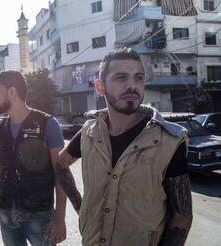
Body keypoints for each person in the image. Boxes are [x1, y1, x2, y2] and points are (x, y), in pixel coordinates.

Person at [55, 47, 193, 245]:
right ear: (100, 87)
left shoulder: (169, 142)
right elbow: (61, 163)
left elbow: (182, 216)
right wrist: (81, 206)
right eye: (121, 78)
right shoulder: (89, 132)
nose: (132, 86)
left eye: (138, 78)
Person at [0, 70, 67, 246]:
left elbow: (61, 173)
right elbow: (0, 167)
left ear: (12, 92)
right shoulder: (2, 127)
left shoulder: (47, 124)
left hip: (39, 215)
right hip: (6, 213)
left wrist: (60, 217)